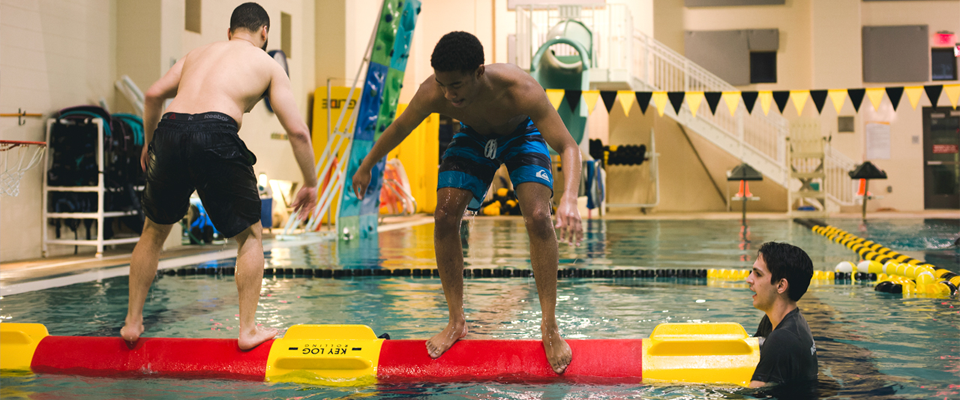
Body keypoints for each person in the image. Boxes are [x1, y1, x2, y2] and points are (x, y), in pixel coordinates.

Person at [351, 31, 583, 374]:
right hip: (474, 136)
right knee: (444, 216)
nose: (448, 94)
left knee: (537, 215)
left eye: (456, 85)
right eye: (443, 85)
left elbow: (569, 146)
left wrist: (570, 198)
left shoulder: (521, 90)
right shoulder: (435, 91)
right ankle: (456, 322)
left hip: (522, 134)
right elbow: (400, 127)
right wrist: (367, 164)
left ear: (479, 72)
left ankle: (549, 326)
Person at [120, 2, 318, 350]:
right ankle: (247, 330)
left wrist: (150, 143)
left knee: (153, 231)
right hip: (216, 132)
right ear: (264, 34)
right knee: (251, 236)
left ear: (229, 33)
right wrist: (311, 182)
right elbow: (298, 132)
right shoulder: (267, 63)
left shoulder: (198, 52)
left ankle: (132, 324)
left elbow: (152, 95)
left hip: (170, 129)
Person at [746, 242, 818, 387]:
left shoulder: (781, 340)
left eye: (758, 274)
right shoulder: (777, 321)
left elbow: (752, 395)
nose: (748, 279)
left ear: (781, 286)